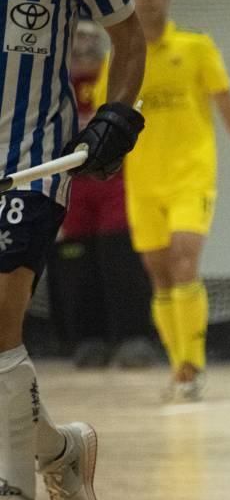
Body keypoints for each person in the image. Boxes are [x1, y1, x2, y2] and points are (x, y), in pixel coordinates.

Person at [0, 0, 146, 500]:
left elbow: (129, 39)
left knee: (2, 313)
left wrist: (116, 112)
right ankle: (63, 451)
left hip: (34, 162)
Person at [101, 0, 230, 401]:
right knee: (159, 277)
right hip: (143, 182)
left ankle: (191, 366)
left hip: (191, 176)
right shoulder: (119, 57)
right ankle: (178, 366)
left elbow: (226, 103)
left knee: (184, 262)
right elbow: (107, 117)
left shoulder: (196, 48)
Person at [47, 20, 155, 369]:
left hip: (112, 179)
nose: (83, 46)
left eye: (91, 38)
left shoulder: (116, 76)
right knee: (76, 262)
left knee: (119, 258)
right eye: (77, 38)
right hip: (71, 182)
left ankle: (132, 338)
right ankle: (87, 340)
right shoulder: (54, 83)